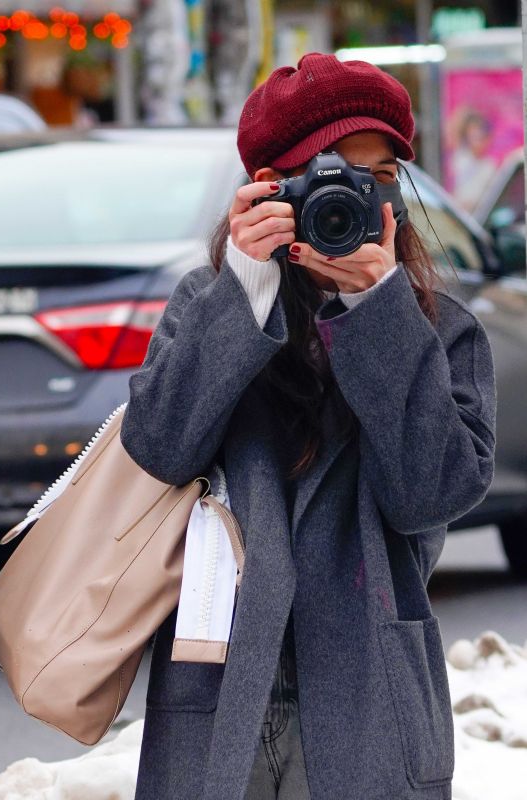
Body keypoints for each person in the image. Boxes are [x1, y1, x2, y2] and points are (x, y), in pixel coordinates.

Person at [121, 53, 496, 800]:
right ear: (267, 186)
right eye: (325, 174)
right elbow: (157, 448)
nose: (351, 197)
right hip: (219, 689)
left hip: (371, 699)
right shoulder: (212, 306)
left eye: (377, 175)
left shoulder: (437, 329)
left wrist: (378, 311)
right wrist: (245, 292)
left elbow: (431, 495)